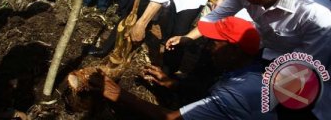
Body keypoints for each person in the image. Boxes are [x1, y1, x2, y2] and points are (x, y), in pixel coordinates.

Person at [167, 0, 331, 119]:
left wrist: (246, 93)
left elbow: (304, 70)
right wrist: (188, 37)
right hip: (269, 53)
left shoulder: (317, 16)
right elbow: (216, 15)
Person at [90, 17, 276, 120]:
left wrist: (119, 94)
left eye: (213, 42)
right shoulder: (248, 70)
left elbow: (172, 118)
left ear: (234, 50)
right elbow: (210, 97)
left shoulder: (239, 92)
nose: (207, 47)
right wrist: (173, 84)